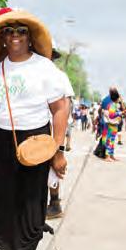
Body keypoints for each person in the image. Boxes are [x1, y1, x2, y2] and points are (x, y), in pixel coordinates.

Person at [0, 8, 68, 250]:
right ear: (2, 38)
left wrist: (57, 150)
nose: (15, 36)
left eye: (21, 31)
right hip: (1, 141)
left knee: (29, 208)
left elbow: (60, 108)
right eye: (9, 31)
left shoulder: (44, 67)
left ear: (30, 37)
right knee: (2, 207)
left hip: (35, 140)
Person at [47, 42, 75, 220]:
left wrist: (60, 149)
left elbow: (66, 108)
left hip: (52, 129)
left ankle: (55, 203)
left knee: (52, 169)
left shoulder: (58, 76)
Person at [101, 87, 122, 162]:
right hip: (111, 125)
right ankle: (107, 156)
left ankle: (111, 155)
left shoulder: (114, 104)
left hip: (113, 125)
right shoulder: (112, 105)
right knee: (109, 140)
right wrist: (119, 113)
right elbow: (111, 115)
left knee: (112, 140)